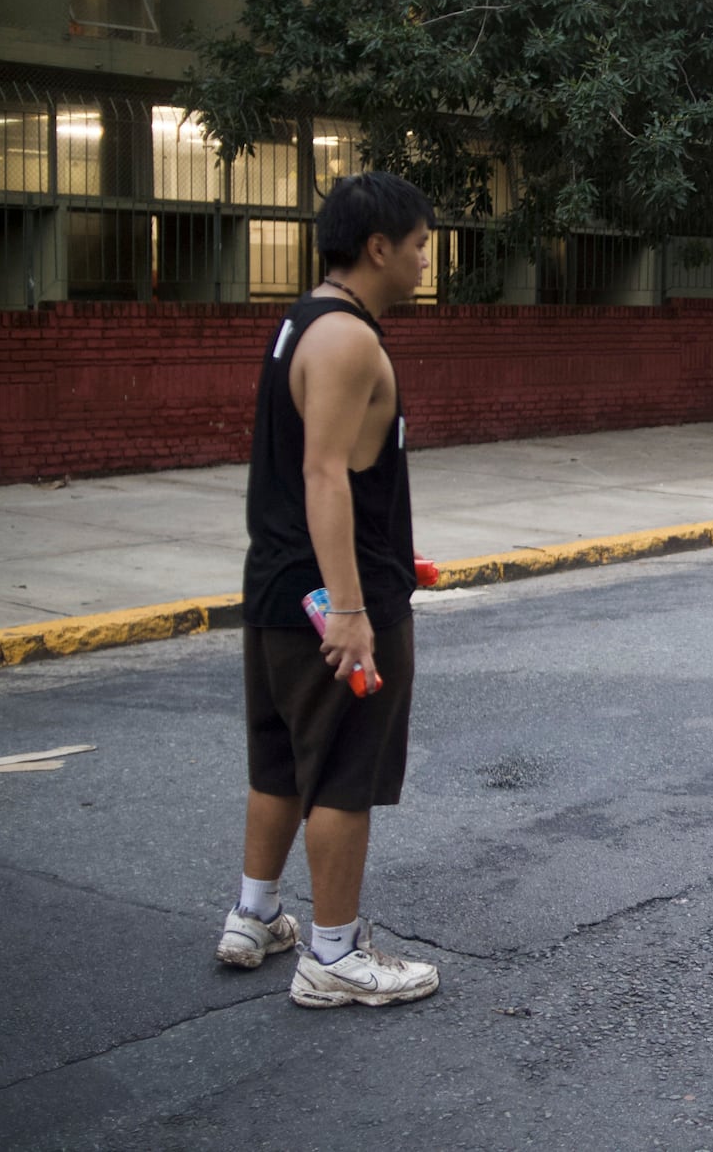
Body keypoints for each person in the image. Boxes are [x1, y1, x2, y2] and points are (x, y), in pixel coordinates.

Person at [215, 171, 441, 1007]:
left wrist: (390, 553)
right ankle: (334, 956)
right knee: (345, 770)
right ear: (378, 247)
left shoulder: (301, 319)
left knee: (279, 760)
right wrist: (351, 606)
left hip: (278, 586)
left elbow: (332, 469)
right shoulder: (352, 340)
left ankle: (254, 913)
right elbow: (323, 475)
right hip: (329, 604)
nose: (425, 260)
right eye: (419, 245)